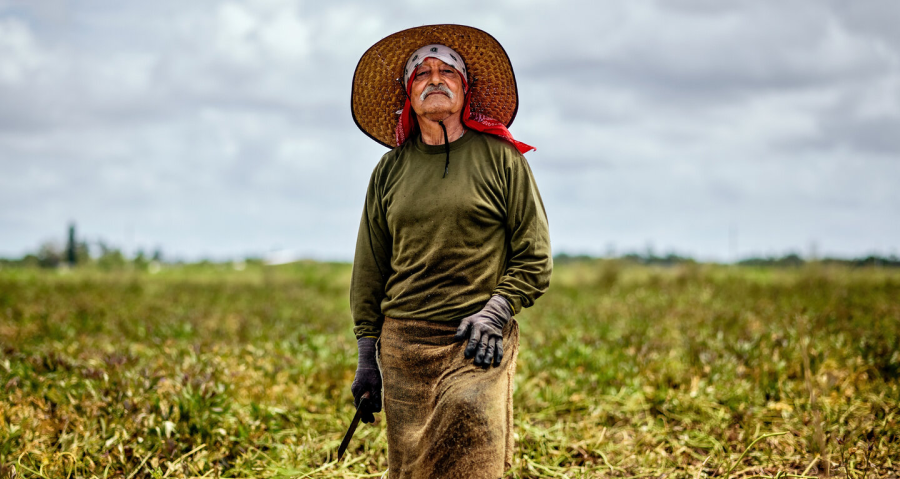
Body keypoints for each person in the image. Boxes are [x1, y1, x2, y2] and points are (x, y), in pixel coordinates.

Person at [348, 24, 552, 478]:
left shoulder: (501, 158)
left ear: (465, 88)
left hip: (476, 339)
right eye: (421, 73)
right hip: (404, 347)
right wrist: (367, 356)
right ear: (408, 93)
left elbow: (534, 256)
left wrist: (495, 312)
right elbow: (370, 266)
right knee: (413, 466)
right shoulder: (390, 169)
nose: (434, 78)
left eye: (447, 71)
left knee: (470, 428)